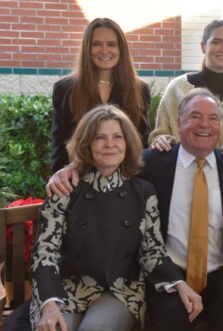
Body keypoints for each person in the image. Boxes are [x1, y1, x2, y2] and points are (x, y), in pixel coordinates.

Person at [46, 88, 223, 331]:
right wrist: (69, 170)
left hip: (222, 271)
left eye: (212, 118)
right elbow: (108, 162)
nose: (204, 125)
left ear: (220, 126)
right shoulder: (151, 164)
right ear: (179, 122)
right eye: (195, 116)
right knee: (170, 312)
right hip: (168, 272)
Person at [30, 105, 175, 331]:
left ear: (127, 143)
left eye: (118, 137)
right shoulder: (65, 188)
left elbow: (153, 252)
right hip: (65, 289)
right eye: (100, 137)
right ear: (86, 144)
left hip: (119, 291)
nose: (110, 144)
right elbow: (44, 254)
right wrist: (49, 303)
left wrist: (179, 282)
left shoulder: (143, 192)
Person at [149, 19, 223, 166]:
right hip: (181, 174)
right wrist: (161, 140)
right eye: (217, 42)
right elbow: (160, 133)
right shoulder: (177, 88)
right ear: (203, 46)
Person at [51, 17, 151, 173]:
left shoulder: (139, 89)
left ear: (121, 49)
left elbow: (142, 143)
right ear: (87, 49)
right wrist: (60, 182)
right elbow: (59, 144)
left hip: (125, 181)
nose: (104, 51)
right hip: (79, 180)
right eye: (96, 44)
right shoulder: (65, 89)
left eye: (111, 44)